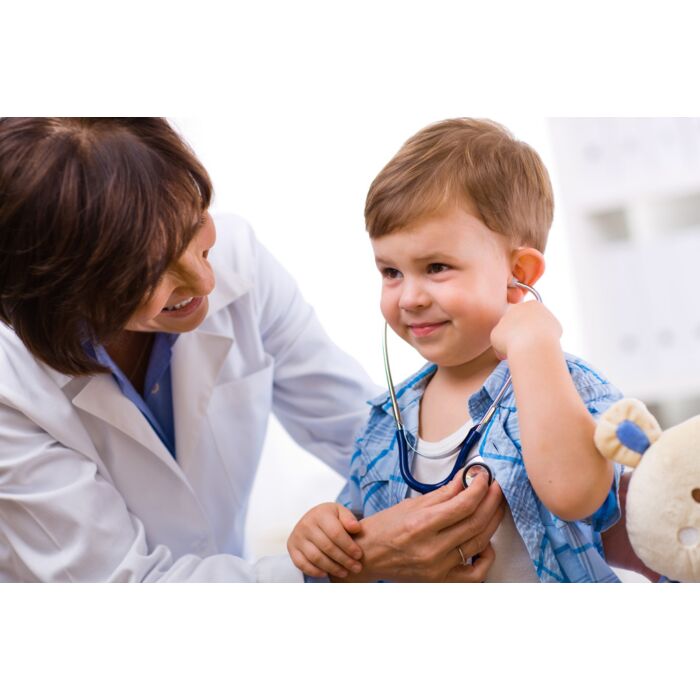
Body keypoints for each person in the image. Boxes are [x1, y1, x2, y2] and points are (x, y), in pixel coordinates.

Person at [0, 117, 505, 582]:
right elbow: (127, 587)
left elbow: (365, 436)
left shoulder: (237, 260)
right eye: (147, 273)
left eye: (194, 226)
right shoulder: (12, 384)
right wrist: (354, 559)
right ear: (63, 293)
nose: (204, 278)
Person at [288, 117, 632, 582]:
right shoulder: (385, 420)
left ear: (520, 274)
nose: (409, 297)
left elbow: (576, 495)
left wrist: (532, 344)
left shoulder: (566, 384)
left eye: (436, 267)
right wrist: (322, 534)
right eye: (390, 272)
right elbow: (358, 538)